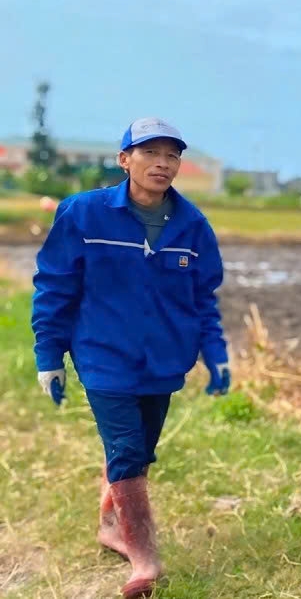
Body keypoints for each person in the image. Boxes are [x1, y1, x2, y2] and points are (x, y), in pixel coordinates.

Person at [30, 117, 231, 599]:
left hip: (164, 361)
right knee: (126, 450)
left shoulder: (193, 225)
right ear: (125, 160)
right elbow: (55, 286)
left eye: (172, 155)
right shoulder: (83, 214)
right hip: (104, 357)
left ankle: (110, 523)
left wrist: (216, 355)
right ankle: (145, 559)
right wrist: (48, 354)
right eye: (149, 153)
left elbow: (204, 297)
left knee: (139, 450)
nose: (162, 163)